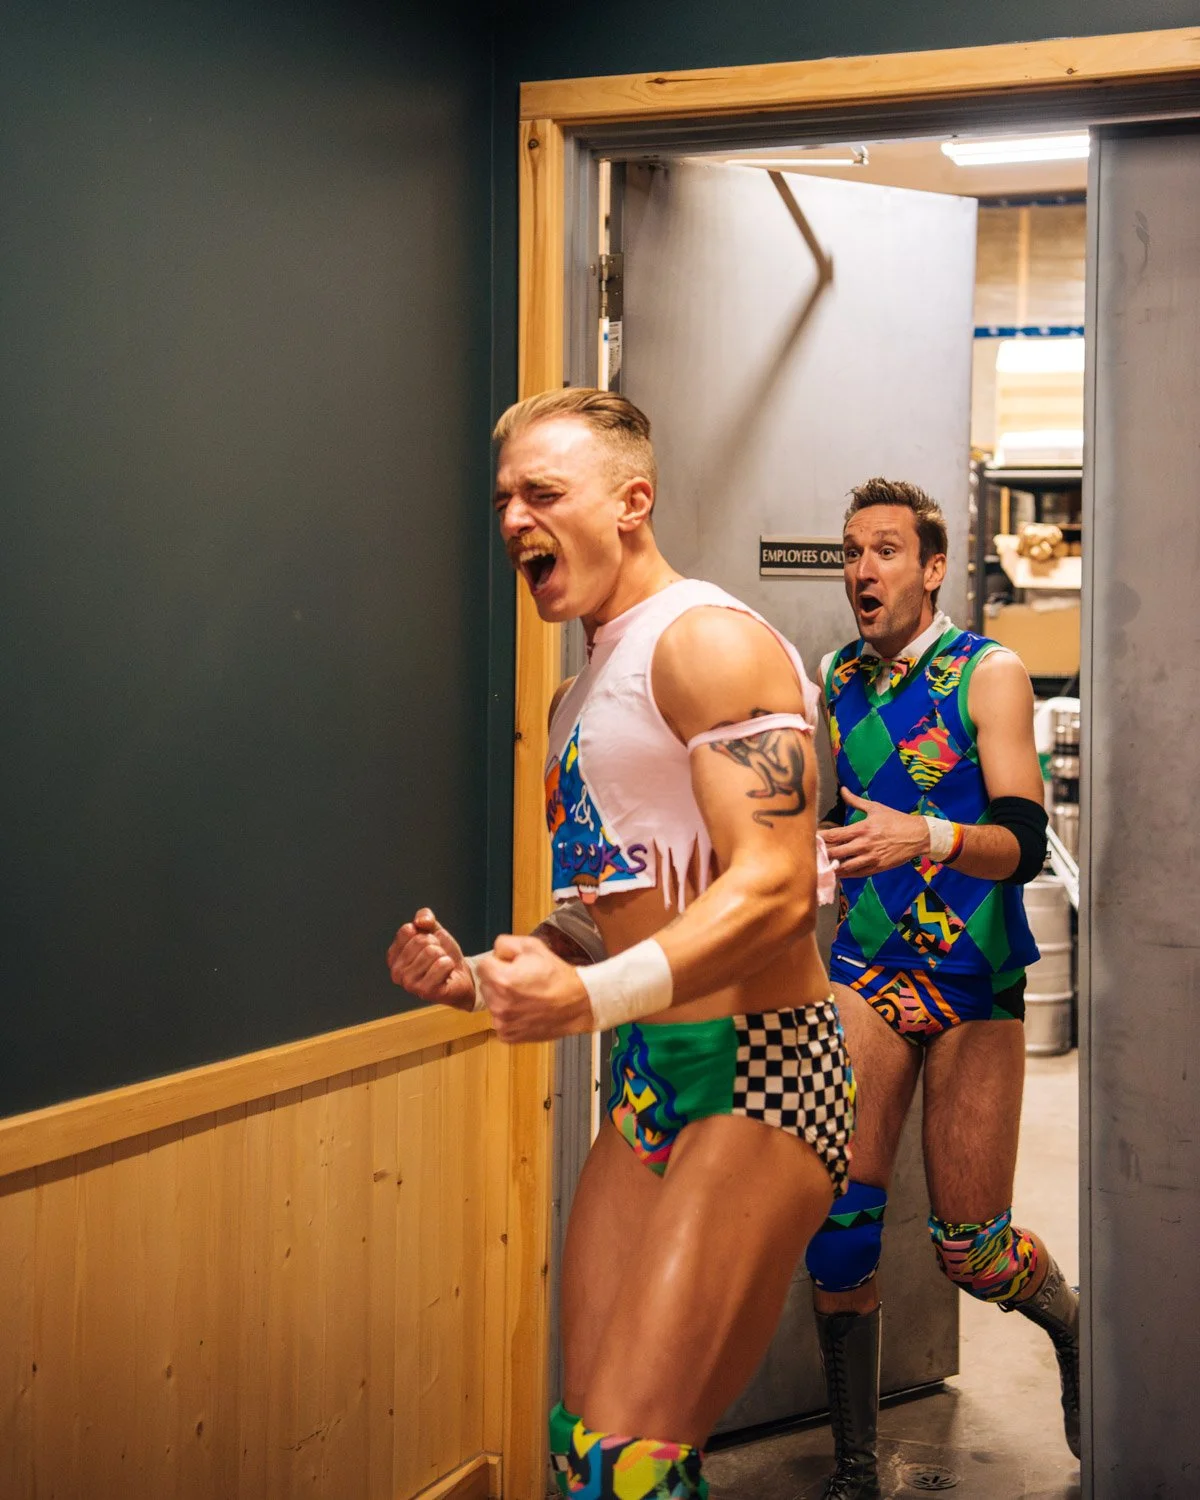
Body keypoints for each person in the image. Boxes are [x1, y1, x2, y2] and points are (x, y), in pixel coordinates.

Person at [387, 388, 855, 1500]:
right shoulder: (577, 695)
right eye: (505, 499)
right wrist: (484, 977)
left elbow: (777, 889)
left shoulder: (708, 644)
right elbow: (602, 915)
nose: (515, 518)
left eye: (543, 492)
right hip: (649, 1079)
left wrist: (588, 1002)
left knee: (631, 1466)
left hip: (763, 1072)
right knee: (584, 1449)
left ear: (631, 503)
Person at [805, 478, 1079, 1500]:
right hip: (868, 970)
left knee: (973, 1248)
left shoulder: (988, 673)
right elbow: (839, 820)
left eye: (884, 551)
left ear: (931, 568)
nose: (861, 570)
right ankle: (855, 1468)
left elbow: (1025, 845)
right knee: (839, 1232)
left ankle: (1075, 1327)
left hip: (975, 979)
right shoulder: (837, 676)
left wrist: (927, 835)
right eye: (850, 552)